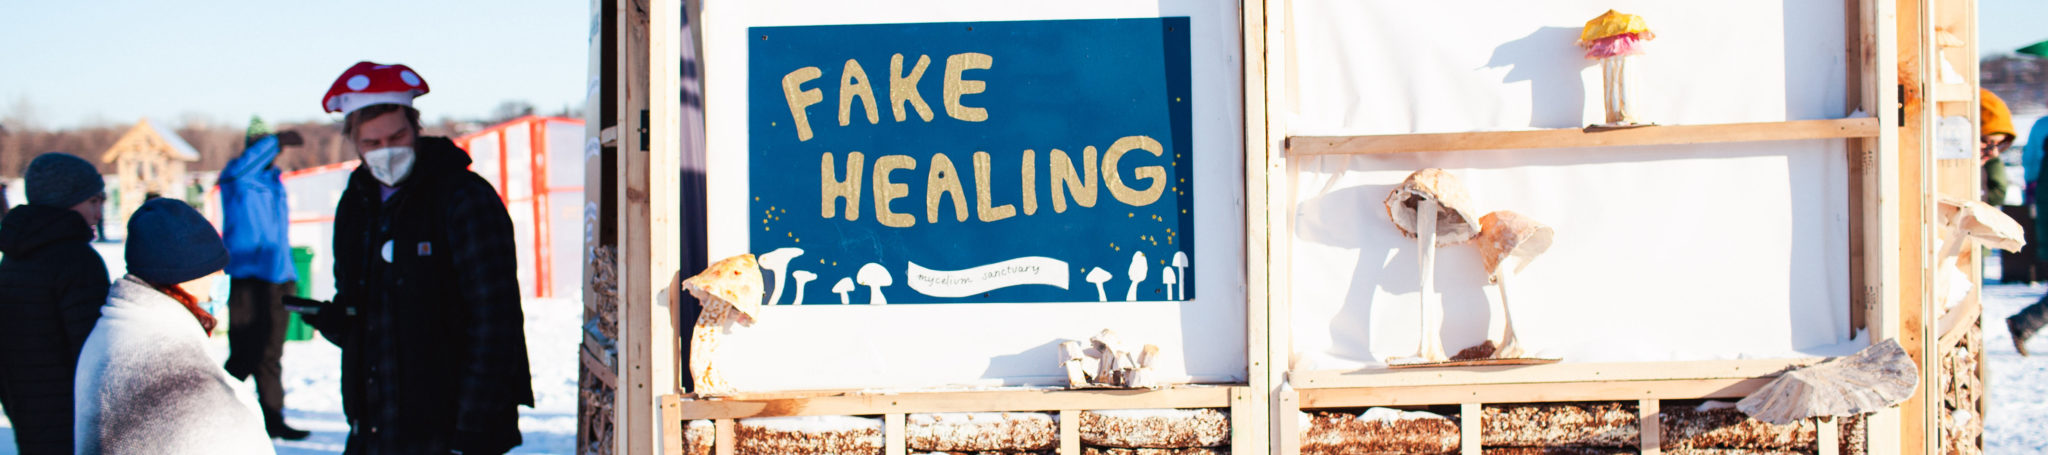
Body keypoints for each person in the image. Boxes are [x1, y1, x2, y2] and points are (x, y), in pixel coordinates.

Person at [303, 61, 533, 454]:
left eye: (397, 136)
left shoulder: (463, 198)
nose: (387, 152)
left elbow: (495, 320)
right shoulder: (356, 205)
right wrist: (342, 321)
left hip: (451, 428)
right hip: (377, 426)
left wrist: (471, 433)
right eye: (372, 144)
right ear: (354, 142)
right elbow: (369, 304)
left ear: (416, 127)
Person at [73, 198, 274, 454]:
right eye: (214, 271)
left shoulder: (112, 331)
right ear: (183, 276)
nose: (222, 280)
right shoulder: (188, 384)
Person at [0, 153, 109, 454]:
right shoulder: (77, 261)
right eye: (93, 202)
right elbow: (94, 354)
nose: (99, 213)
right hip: (75, 423)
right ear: (66, 202)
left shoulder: (14, 258)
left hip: (28, 416)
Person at [218, 116, 311, 440]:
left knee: (271, 355)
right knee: (245, 353)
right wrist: (274, 139)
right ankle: (211, 412)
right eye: (261, 144)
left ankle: (274, 419)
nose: (269, 150)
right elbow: (247, 164)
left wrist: (290, 277)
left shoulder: (274, 181)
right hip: (249, 279)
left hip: (277, 278)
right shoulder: (235, 177)